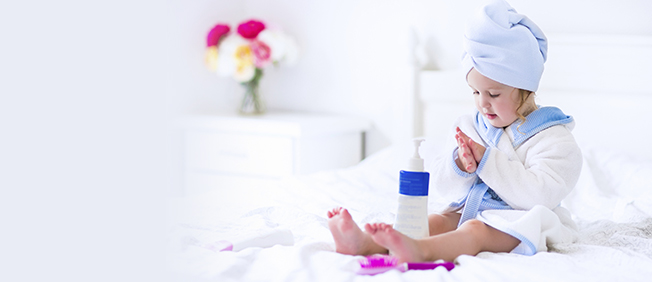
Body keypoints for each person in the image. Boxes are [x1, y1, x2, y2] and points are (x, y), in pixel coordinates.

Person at [327, 0, 582, 263]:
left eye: (493, 94)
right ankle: (365, 243)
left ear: (525, 88)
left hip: (523, 220)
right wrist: (459, 165)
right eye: (475, 92)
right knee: (438, 220)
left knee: (475, 230)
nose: (483, 103)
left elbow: (540, 194)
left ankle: (421, 251)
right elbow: (442, 186)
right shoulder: (469, 126)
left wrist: (486, 160)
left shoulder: (554, 139)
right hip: (471, 208)